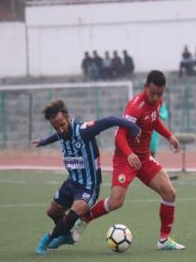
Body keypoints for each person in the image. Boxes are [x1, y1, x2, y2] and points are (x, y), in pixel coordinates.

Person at [71, 70, 186, 250]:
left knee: (170, 193)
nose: (156, 97)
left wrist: (169, 136)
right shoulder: (134, 107)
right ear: (145, 87)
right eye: (152, 93)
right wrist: (129, 154)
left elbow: (154, 121)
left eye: (159, 94)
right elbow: (119, 135)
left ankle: (164, 240)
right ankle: (84, 218)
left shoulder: (157, 101)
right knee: (116, 202)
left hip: (144, 158)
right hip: (126, 158)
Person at [33, 100, 140, 255]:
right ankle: (66, 235)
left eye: (62, 124)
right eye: (56, 127)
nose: (60, 129)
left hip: (89, 187)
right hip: (71, 183)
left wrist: (132, 126)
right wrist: (44, 142)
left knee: (72, 215)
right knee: (52, 212)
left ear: (68, 117)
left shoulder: (84, 130)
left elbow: (110, 120)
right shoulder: (60, 130)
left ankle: (47, 239)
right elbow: (58, 136)